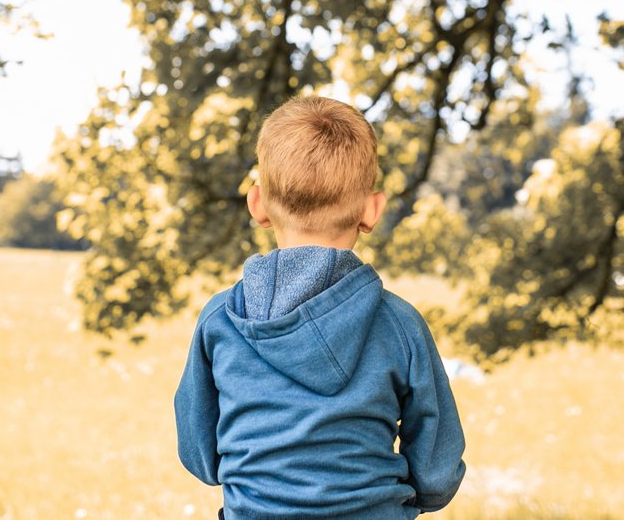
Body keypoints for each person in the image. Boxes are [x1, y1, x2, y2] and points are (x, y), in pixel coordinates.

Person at [174, 95, 466, 519]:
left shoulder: (221, 321)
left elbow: (200, 455)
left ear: (257, 204)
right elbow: (436, 471)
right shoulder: (400, 326)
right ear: (372, 210)